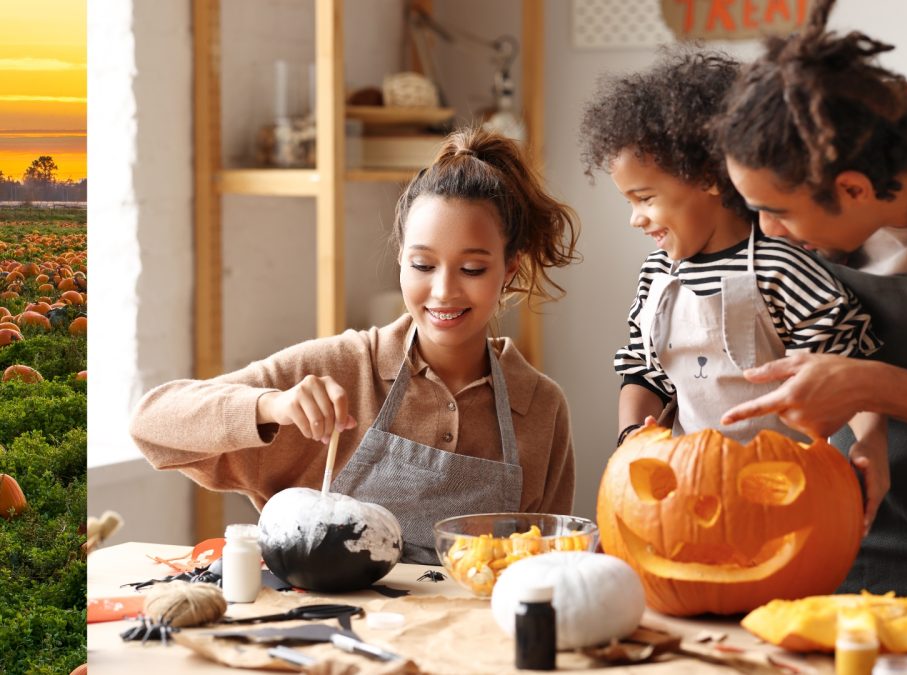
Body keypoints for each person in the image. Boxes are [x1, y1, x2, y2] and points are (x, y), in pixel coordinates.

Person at [130, 128, 581, 564]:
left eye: (473, 270)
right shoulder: (342, 369)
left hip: (472, 639)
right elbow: (151, 422)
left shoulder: (539, 406)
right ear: (401, 258)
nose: (443, 291)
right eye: (423, 264)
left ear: (510, 270)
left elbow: (553, 566)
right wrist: (273, 406)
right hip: (335, 636)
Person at [711, 0, 907, 604]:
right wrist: (868, 428)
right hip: (841, 536)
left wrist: (869, 385)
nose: (765, 231)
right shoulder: (815, 136)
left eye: (778, 213)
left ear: (855, 189)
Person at [578, 49, 889, 534]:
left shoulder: (782, 267)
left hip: (785, 491)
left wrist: (870, 441)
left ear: (707, 178)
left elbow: (852, 373)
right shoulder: (657, 275)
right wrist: (632, 436)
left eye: (644, 199)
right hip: (688, 489)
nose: (635, 218)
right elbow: (643, 372)